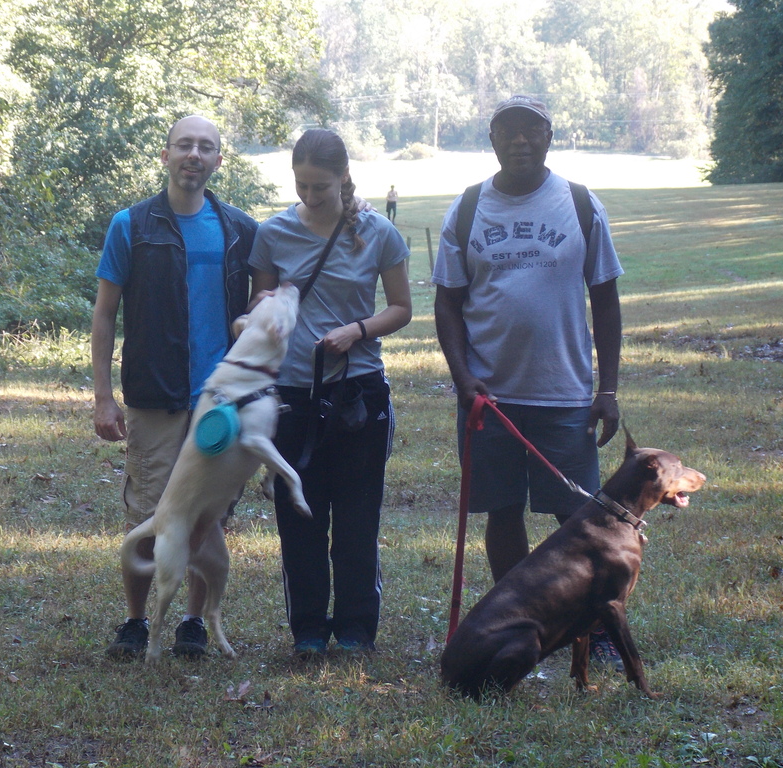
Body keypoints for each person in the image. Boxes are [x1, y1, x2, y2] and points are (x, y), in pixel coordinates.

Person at [432, 95, 625, 668]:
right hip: (489, 399)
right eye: (508, 131)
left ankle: (598, 629)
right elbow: (447, 304)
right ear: (492, 140)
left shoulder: (580, 204)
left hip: (565, 393)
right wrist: (464, 380)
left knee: (582, 521)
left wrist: (607, 388)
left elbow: (606, 300)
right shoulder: (468, 208)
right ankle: (517, 617)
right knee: (502, 512)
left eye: (532, 131)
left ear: (549, 137)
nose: (520, 141)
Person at [93, 115, 257, 661]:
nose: (194, 155)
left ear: (217, 161)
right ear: (165, 155)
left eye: (205, 147)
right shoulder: (132, 225)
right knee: (149, 509)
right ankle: (136, 622)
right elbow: (105, 313)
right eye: (184, 145)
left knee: (207, 513)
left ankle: (192, 622)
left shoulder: (239, 229)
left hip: (219, 400)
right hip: (155, 394)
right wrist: (102, 395)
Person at [249, 128, 412, 658]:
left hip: (358, 393)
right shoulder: (272, 233)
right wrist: (259, 320)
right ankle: (309, 631)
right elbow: (260, 305)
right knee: (300, 516)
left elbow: (400, 309)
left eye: (321, 186)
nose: (310, 197)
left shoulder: (378, 231)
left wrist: (357, 331)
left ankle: (356, 630)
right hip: (291, 394)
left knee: (358, 518)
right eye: (301, 185)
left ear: (344, 177)